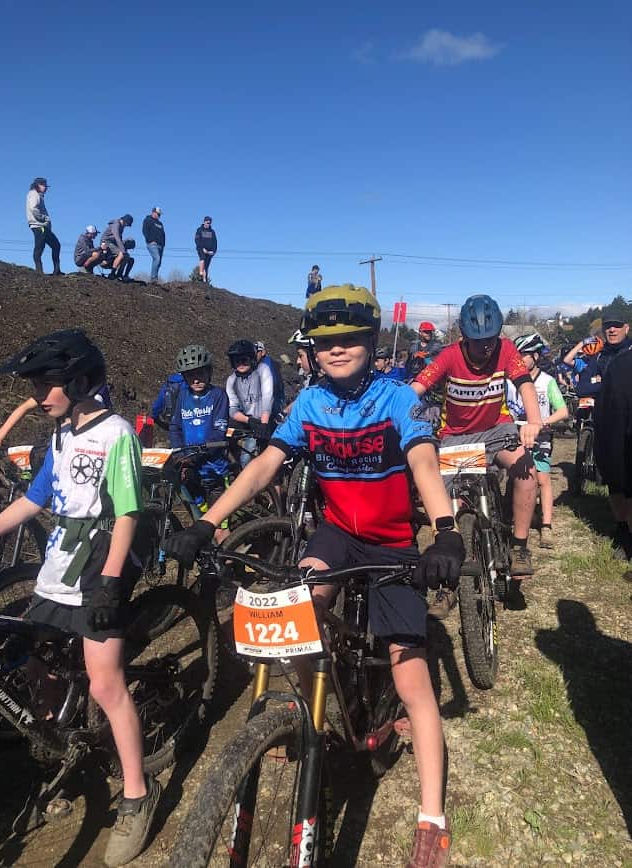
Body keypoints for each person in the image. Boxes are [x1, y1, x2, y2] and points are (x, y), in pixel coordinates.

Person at [164, 284, 464, 868]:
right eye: (326, 342)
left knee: (411, 680)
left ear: (371, 342)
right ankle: (304, 716)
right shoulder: (308, 405)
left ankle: (433, 817)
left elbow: (424, 462)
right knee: (299, 607)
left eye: (350, 339)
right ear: (313, 351)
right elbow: (264, 467)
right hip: (336, 534)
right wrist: (208, 521)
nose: (338, 350)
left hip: (393, 541)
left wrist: (446, 529)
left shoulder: (397, 398)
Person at [0, 330, 160, 867]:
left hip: (102, 562)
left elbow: (128, 510)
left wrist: (109, 581)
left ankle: (136, 795)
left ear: (81, 382)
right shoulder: (59, 434)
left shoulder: (118, 434)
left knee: (106, 682)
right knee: (40, 666)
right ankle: (62, 737)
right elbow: (38, 499)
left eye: (47, 384)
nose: (39, 394)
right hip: (59, 566)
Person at [412, 294, 542, 612]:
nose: (484, 348)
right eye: (476, 341)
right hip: (454, 438)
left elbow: (525, 385)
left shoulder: (506, 350)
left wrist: (534, 421)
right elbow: (417, 388)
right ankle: (448, 583)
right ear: (463, 336)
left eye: (490, 340)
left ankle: (520, 546)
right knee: (443, 506)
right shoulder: (448, 356)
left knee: (528, 473)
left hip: (497, 431)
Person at [508, 334, 568, 549]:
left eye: (523, 355)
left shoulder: (547, 381)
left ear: (535, 355)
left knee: (542, 479)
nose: (519, 359)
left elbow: (562, 410)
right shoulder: (509, 381)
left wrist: (544, 421)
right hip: (514, 435)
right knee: (516, 477)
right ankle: (514, 518)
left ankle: (546, 525)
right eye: (517, 355)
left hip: (539, 437)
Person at [169, 344, 230, 525]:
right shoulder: (182, 396)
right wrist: (180, 455)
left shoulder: (218, 395)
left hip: (214, 471)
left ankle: (227, 549)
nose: (196, 380)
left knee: (219, 527)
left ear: (209, 371)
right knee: (200, 519)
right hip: (191, 472)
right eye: (190, 375)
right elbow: (175, 427)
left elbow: (219, 432)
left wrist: (194, 457)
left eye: (200, 373)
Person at [593, 346, 632, 559]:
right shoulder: (619, 365)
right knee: (621, 488)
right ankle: (624, 532)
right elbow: (606, 410)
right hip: (620, 442)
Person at [225, 339, 274, 467]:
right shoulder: (231, 381)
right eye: (237, 361)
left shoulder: (263, 370)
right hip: (247, 422)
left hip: (267, 419)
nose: (241, 364)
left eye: (244, 360)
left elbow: (267, 399)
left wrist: (263, 424)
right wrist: (249, 421)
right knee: (245, 459)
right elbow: (233, 409)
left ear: (252, 359)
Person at [26, 177, 63, 275]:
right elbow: (33, 208)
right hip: (39, 226)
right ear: (38, 185)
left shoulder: (37, 195)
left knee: (55, 245)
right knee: (40, 247)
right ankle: (39, 271)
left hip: (41, 226)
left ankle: (56, 270)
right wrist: (43, 218)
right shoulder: (34, 194)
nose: (46, 188)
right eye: (44, 186)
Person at [254, 341, 285, 419]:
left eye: (256, 352)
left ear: (263, 352)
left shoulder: (267, 365)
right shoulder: (258, 363)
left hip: (273, 405)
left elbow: (271, 385)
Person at [101, 215, 135, 282]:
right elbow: (117, 238)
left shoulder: (121, 227)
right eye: (127, 224)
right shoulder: (116, 224)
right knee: (122, 254)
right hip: (107, 242)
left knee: (127, 256)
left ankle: (119, 274)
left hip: (114, 244)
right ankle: (112, 274)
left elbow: (120, 238)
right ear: (125, 221)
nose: (126, 226)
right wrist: (122, 250)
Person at [142, 207, 165, 283]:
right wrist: (150, 240)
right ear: (153, 212)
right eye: (158, 214)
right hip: (152, 244)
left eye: (160, 215)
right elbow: (144, 231)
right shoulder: (148, 220)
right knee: (157, 258)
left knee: (159, 262)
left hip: (160, 245)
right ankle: (153, 278)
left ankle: (155, 278)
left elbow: (163, 234)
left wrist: (163, 244)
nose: (159, 216)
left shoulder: (160, 224)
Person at [194, 216, 217, 283]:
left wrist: (213, 251)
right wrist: (202, 248)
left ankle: (204, 280)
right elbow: (197, 240)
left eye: (209, 223)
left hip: (209, 251)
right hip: (201, 248)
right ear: (204, 222)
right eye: (207, 223)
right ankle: (201, 274)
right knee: (202, 258)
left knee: (206, 266)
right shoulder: (199, 230)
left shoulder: (212, 232)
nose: (208, 224)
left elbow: (215, 242)